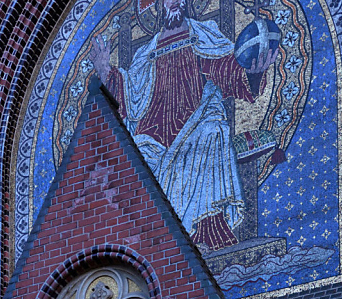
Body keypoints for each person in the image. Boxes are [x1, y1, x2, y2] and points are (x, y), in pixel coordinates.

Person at [91, 0, 277, 250]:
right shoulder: (146, 52)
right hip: (153, 137)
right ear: (158, 6)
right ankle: (150, 245)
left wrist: (254, 72)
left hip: (199, 121)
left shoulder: (203, 34)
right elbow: (128, 100)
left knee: (211, 132)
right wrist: (106, 72)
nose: (176, 1)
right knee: (134, 157)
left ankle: (207, 235)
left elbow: (229, 73)